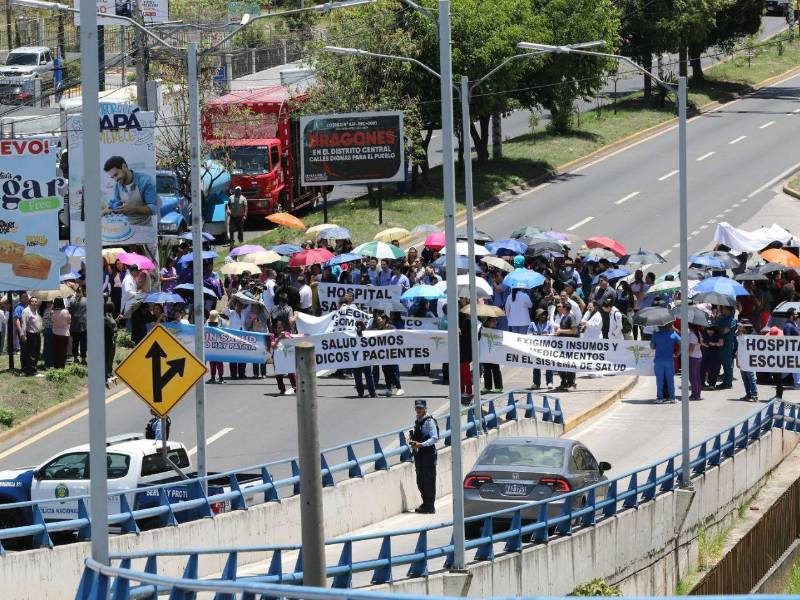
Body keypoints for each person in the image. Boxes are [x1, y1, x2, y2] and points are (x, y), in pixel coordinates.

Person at [103, 156, 157, 227]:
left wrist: (134, 209)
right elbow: (117, 203)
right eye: (113, 177)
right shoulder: (117, 185)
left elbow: (154, 209)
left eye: (116, 175)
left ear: (124, 166)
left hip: (144, 227)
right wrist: (114, 207)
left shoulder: (146, 181)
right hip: (125, 226)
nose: (115, 180)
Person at [408, 399, 438, 514]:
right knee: (420, 480)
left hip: (428, 454)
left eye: (420, 408)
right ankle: (425, 503)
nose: (418, 410)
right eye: (417, 408)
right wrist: (411, 438)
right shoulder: (418, 420)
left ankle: (430, 506)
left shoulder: (429, 421)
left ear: (425, 408)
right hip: (419, 455)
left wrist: (421, 444)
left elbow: (434, 438)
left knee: (429, 480)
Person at [650, 324, 681, 403]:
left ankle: (660, 398)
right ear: (669, 326)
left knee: (659, 381)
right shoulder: (673, 334)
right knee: (670, 380)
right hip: (669, 360)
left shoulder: (656, 335)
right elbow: (682, 342)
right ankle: (672, 398)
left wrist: (653, 337)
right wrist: (677, 353)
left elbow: (652, 347)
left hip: (658, 361)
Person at [527, 308, 554, 389]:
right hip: (536, 348)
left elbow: (553, 334)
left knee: (548, 365)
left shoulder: (549, 324)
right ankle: (536, 383)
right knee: (536, 365)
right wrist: (534, 335)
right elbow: (528, 334)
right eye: (541, 315)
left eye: (545, 315)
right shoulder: (532, 324)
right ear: (538, 316)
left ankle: (549, 382)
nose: (543, 316)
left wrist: (548, 335)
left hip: (547, 348)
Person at [554, 302, 578, 391]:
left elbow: (574, 331)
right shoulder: (563, 317)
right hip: (562, 346)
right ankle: (564, 382)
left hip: (569, 346)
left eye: (561, 307)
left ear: (565, 308)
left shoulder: (571, 317)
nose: (559, 308)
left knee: (570, 364)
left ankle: (572, 383)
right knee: (561, 363)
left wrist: (561, 331)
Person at [735, 319, 759, 402]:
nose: (738, 327)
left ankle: (754, 395)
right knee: (745, 378)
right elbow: (739, 348)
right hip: (742, 359)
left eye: (740, 326)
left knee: (751, 378)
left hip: (750, 360)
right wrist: (737, 360)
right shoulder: (740, 334)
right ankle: (748, 394)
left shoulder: (753, 334)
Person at [271, 320, 296, 395]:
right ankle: (282, 389)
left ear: (283, 328)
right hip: (277, 358)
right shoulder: (272, 336)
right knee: (278, 373)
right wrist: (279, 339)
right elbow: (273, 346)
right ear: (276, 329)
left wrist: (285, 336)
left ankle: (295, 387)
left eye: (281, 328)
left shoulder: (287, 334)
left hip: (286, 356)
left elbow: (292, 340)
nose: (279, 329)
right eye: (278, 328)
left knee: (291, 371)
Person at [352, 320, 377, 398]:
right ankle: (372, 393)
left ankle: (360, 393)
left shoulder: (352, 335)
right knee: (369, 376)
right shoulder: (368, 334)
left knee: (358, 377)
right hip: (366, 359)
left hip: (356, 360)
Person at [20, 296, 42, 376]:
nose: (35, 303)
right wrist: (23, 335)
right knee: (31, 353)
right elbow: (24, 323)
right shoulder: (26, 311)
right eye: (33, 301)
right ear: (29, 302)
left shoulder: (36, 310)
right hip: (30, 335)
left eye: (36, 301)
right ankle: (31, 371)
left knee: (36, 352)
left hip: (37, 334)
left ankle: (33, 368)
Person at [480, 316, 503, 393]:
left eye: (496, 321)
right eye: (493, 321)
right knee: (486, 370)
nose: (496, 322)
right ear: (488, 322)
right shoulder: (481, 330)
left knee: (495, 370)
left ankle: (498, 387)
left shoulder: (497, 331)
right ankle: (487, 387)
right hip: (485, 354)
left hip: (494, 354)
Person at [246, 303, 270, 379]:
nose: (254, 308)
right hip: (254, 338)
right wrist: (251, 319)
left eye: (256, 307)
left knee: (263, 355)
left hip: (263, 337)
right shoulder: (250, 314)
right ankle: (256, 373)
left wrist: (263, 305)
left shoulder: (263, 314)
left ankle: (263, 373)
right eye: (253, 307)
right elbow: (246, 325)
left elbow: (268, 316)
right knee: (255, 356)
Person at [68, 287, 88, 364]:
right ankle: (82, 359)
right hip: (82, 325)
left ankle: (77, 358)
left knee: (76, 343)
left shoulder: (71, 300)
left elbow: (68, 311)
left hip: (76, 325)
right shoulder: (86, 300)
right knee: (82, 343)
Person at [206, 310, 226, 384]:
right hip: (211, 344)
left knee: (219, 362)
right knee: (212, 362)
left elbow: (227, 332)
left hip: (220, 345)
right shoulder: (207, 323)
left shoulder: (223, 322)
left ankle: (221, 377)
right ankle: (213, 377)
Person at [783, 308, 800, 389]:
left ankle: (797, 383)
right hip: (794, 352)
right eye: (795, 314)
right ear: (791, 316)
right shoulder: (788, 326)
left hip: (796, 351)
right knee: (791, 368)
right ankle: (797, 384)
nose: (797, 316)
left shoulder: (794, 324)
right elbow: (788, 339)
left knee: (794, 368)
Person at [687, 323, 703, 401]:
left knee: (693, 378)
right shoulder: (697, 333)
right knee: (697, 377)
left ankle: (694, 395)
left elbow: (691, 348)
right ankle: (697, 394)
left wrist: (687, 357)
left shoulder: (693, 335)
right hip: (698, 356)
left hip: (693, 357)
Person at [103, 302, 117, 384]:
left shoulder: (109, 315)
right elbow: (111, 325)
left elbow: (113, 325)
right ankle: (105, 375)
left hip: (112, 340)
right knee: (106, 357)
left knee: (111, 357)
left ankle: (109, 373)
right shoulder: (104, 318)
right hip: (107, 340)